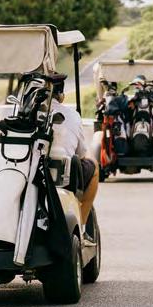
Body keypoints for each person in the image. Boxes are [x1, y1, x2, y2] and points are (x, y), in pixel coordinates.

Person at [50, 78, 100, 233]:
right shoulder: (72, 115)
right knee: (94, 166)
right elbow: (81, 153)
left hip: (32, 171)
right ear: (61, 96)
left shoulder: (25, 115)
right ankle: (82, 224)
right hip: (63, 174)